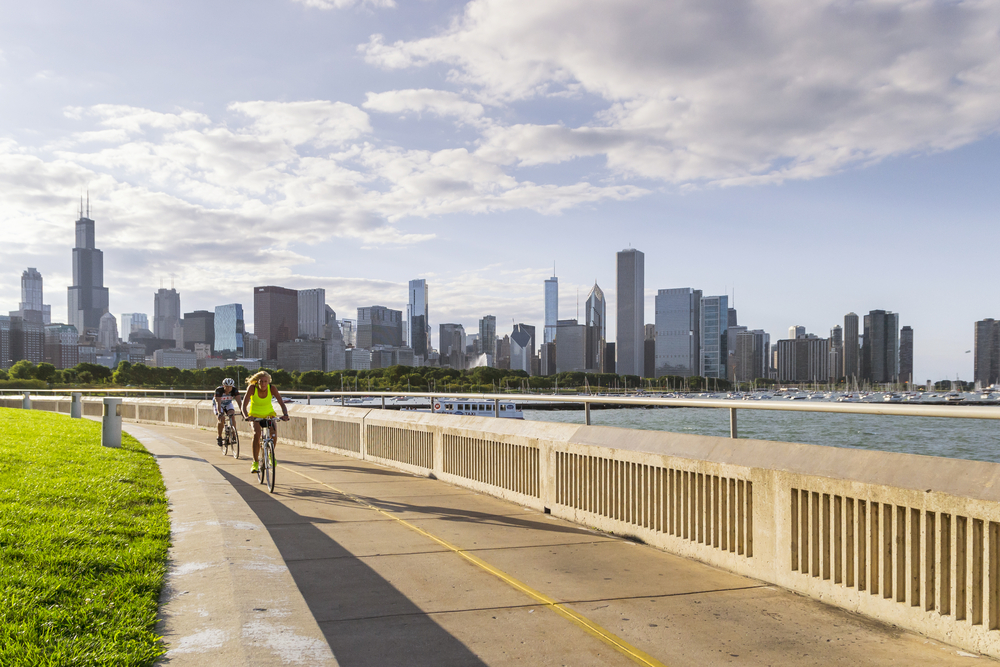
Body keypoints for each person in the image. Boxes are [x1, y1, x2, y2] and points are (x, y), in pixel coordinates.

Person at [240, 370, 289, 474]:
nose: (263, 384)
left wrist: (285, 414)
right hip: (255, 416)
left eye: (265, 381)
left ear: (269, 382)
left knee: (273, 434)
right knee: (256, 434)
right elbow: (243, 405)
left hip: (268, 414)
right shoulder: (252, 388)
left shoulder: (272, 389)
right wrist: (246, 416)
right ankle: (255, 462)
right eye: (261, 381)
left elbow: (281, 403)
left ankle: (271, 455)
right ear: (257, 382)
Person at [214, 377, 242, 447]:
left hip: (228, 404)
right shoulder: (219, 390)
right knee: (221, 419)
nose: (228, 389)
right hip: (219, 404)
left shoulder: (234, 390)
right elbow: (218, 403)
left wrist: (242, 410)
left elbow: (239, 401)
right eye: (227, 387)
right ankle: (219, 436)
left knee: (232, 416)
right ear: (224, 386)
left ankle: (234, 434)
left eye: (230, 387)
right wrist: (220, 413)